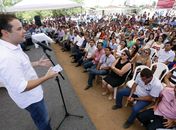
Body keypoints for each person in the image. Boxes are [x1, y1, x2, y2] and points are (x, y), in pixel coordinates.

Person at [0, 14, 58, 130]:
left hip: (33, 94)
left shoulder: (14, 45)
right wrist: (47, 77)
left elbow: (20, 66)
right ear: (5, 33)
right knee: (43, 122)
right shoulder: (6, 57)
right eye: (19, 29)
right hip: (31, 98)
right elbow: (21, 87)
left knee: (41, 117)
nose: (24, 31)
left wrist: (37, 63)